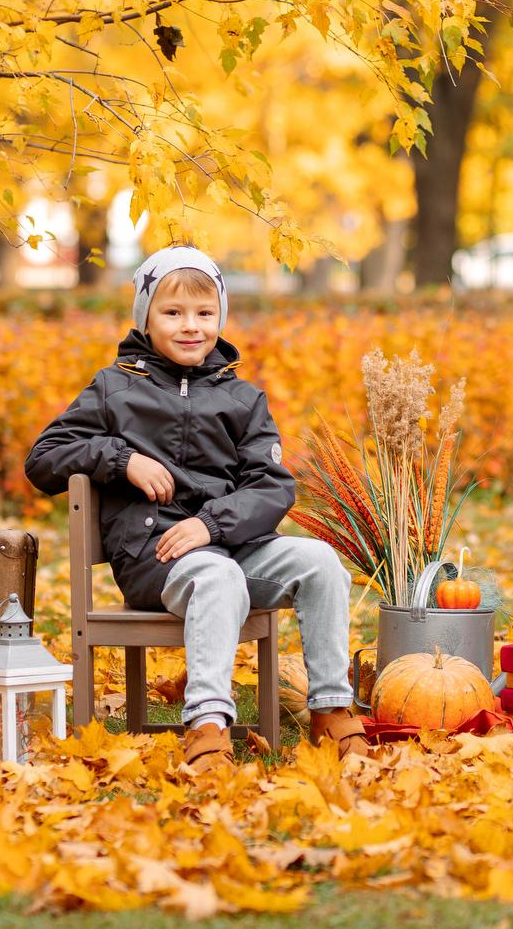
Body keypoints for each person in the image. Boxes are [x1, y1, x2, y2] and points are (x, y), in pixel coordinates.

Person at [25, 246, 366, 770]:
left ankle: (331, 711)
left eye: (205, 314)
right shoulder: (114, 389)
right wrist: (120, 458)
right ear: (146, 316)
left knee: (320, 562)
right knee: (216, 578)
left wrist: (210, 525)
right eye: (173, 312)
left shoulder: (242, 398)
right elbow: (43, 459)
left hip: (231, 545)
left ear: (220, 318)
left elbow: (272, 487)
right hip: (154, 555)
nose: (191, 327)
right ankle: (207, 724)